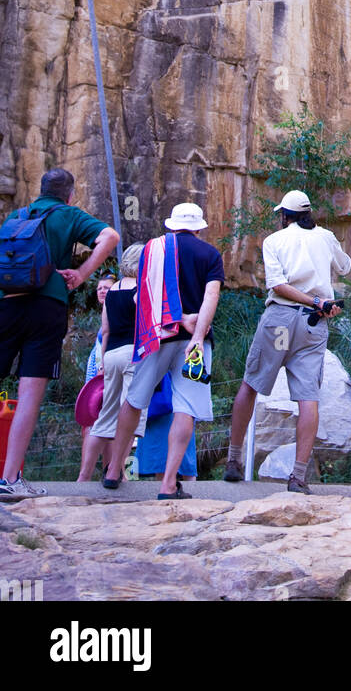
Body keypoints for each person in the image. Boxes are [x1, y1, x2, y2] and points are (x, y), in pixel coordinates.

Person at [0, 167, 119, 501]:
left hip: (6, 305)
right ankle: (10, 479)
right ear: (70, 194)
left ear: (40, 190)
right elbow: (110, 237)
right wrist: (81, 273)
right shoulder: (68, 215)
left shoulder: (15, 217)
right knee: (28, 395)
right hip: (46, 307)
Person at [224, 190, 351, 494]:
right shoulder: (325, 237)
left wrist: (313, 300)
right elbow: (344, 267)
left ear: (285, 215)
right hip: (313, 325)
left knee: (252, 383)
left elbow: (278, 285)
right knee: (308, 396)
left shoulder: (274, 241)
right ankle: (298, 476)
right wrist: (319, 301)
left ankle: (234, 460)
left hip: (281, 321)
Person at [102, 202, 223, 499]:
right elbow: (211, 296)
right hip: (195, 342)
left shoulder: (153, 251)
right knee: (186, 409)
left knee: (133, 401)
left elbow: (140, 298)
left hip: (156, 337)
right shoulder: (210, 254)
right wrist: (194, 334)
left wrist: (176, 318)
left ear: (170, 225)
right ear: (198, 228)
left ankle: (113, 470)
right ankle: (169, 484)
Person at [78, 244, 146, 482]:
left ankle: (84, 477)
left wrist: (104, 360)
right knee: (130, 415)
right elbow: (145, 324)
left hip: (111, 355)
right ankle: (116, 472)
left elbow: (105, 330)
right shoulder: (141, 289)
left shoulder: (113, 289)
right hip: (133, 354)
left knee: (105, 416)